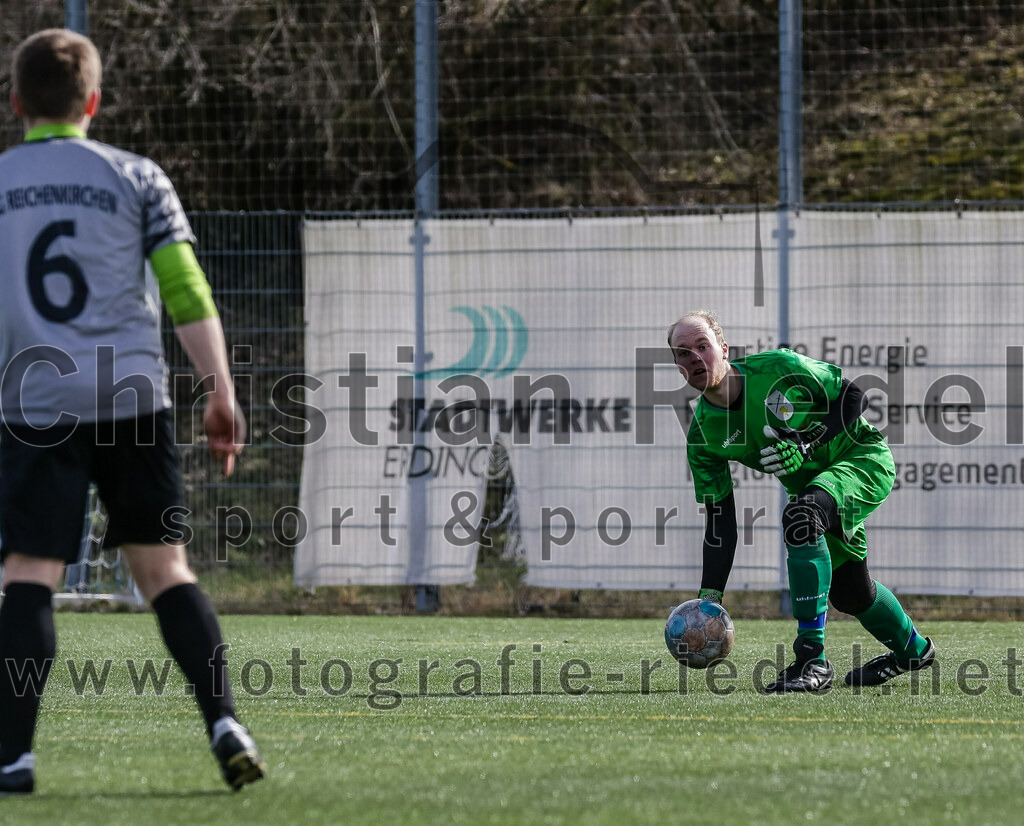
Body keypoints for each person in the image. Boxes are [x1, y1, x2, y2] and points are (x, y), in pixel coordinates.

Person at [0, 29, 266, 792]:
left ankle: (14, 754)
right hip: (131, 399)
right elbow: (185, 290)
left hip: (32, 400)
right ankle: (224, 721)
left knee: (30, 574)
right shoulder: (138, 176)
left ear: (17, 103)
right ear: (93, 101)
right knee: (164, 570)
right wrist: (221, 389)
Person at [668, 310, 936, 693]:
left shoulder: (779, 366)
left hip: (862, 459)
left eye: (702, 346)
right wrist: (709, 598)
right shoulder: (703, 437)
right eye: (682, 352)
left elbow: (853, 394)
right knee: (852, 594)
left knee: (800, 516)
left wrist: (808, 441)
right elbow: (720, 520)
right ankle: (914, 651)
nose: (693, 356)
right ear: (677, 365)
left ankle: (812, 660)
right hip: (816, 490)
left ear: (723, 349)